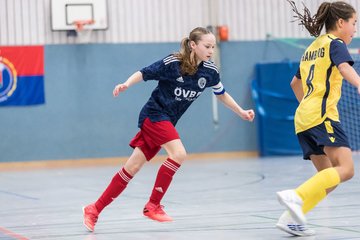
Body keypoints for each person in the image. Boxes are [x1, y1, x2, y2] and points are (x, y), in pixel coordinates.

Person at [82, 27, 255, 232]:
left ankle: (94, 209)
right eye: (207, 46)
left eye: (213, 47)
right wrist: (126, 84)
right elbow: (144, 72)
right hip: (154, 116)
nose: (211, 50)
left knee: (132, 168)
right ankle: (152, 205)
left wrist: (241, 111)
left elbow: (221, 93)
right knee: (179, 154)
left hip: (166, 122)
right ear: (193, 45)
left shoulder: (210, 71)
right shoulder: (173, 63)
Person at [276, 0, 360, 237]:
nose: (355, 29)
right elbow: (344, 68)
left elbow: (295, 83)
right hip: (322, 117)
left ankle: (290, 219)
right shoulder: (336, 43)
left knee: (328, 178)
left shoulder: (312, 48)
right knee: (346, 170)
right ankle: (297, 196)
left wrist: (307, 105)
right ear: (341, 22)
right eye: (354, 23)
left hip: (303, 118)